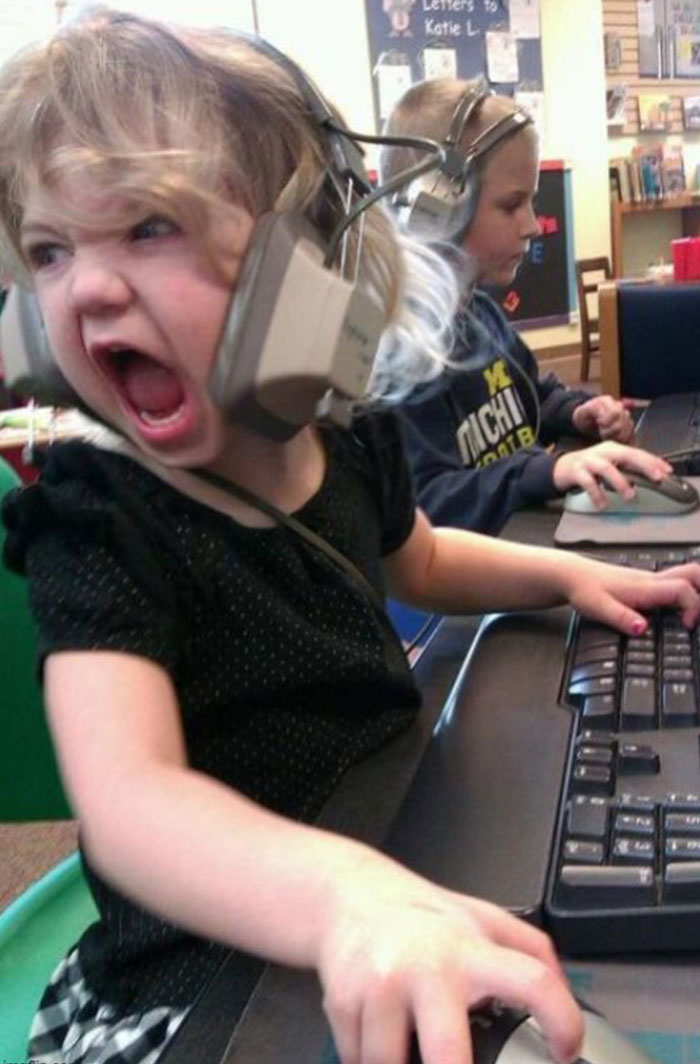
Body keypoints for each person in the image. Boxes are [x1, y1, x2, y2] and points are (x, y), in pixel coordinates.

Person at [1, 11, 700, 1064]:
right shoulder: (100, 515)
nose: (87, 288)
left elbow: (419, 558)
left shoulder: (344, 432)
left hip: (388, 829)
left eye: (149, 229)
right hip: (223, 954)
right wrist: (344, 899)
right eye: (49, 250)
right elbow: (130, 797)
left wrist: (573, 575)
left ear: (308, 263)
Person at [379, 78, 670, 536]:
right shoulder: (402, 353)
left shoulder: (480, 316)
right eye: (512, 205)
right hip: (475, 587)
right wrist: (546, 473)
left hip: (526, 534)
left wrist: (577, 412)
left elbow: (534, 392)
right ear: (435, 206)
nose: (533, 225)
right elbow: (426, 508)